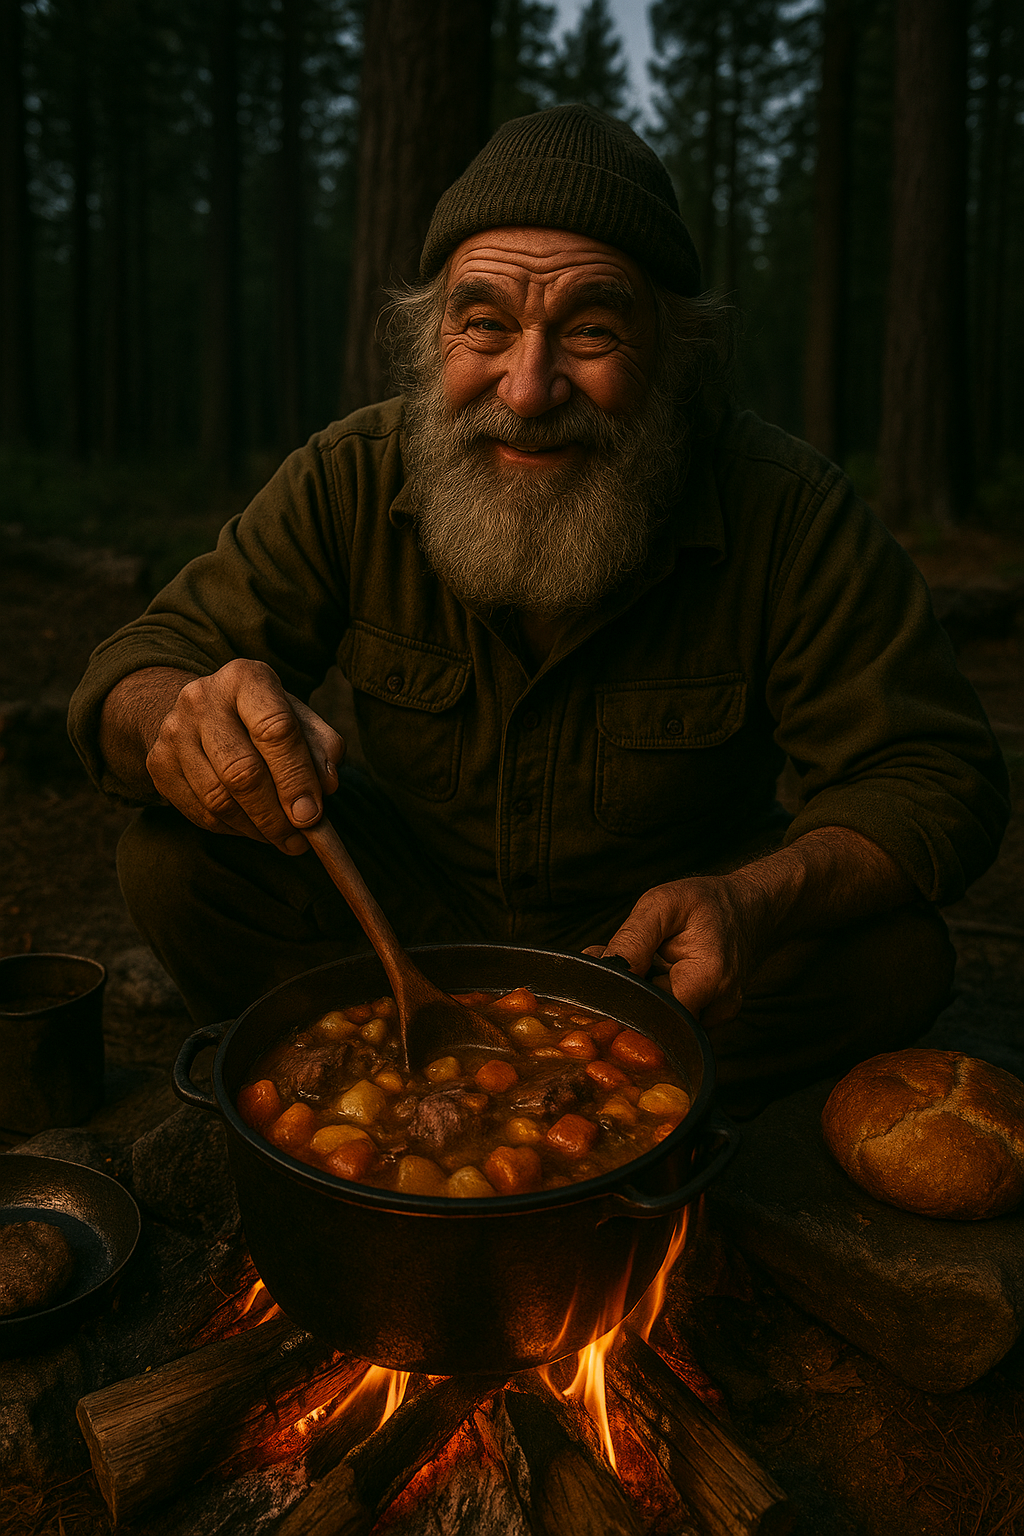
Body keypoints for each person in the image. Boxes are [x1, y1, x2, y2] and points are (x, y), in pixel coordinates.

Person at [69, 105, 1008, 1116]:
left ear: (671, 350)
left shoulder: (785, 507)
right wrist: (184, 715)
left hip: (658, 953)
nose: (525, 388)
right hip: (404, 915)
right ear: (435, 337)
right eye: (484, 324)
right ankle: (460, 1084)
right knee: (174, 863)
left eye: (592, 331)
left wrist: (753, 899)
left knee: (898, 957)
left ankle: (548, 1097)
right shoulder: (349, 475)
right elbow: (141, 664)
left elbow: (933, 771)